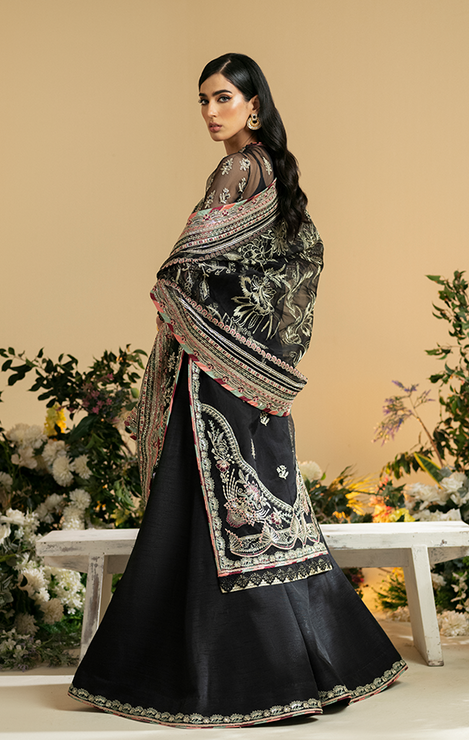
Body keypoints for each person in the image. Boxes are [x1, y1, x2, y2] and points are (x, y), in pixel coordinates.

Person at [68, 53, 407, 727]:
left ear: (254, 104)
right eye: (203, 100)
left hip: (216, 370)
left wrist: (182, 305)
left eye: (223, 97)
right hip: (252, 371)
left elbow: (187, 265)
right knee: (262, 517)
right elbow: (278, 274)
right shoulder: (274, 170)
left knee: (215, 513)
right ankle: (315, 666)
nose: (210, 111)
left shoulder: (236, 170)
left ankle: (249, 676)